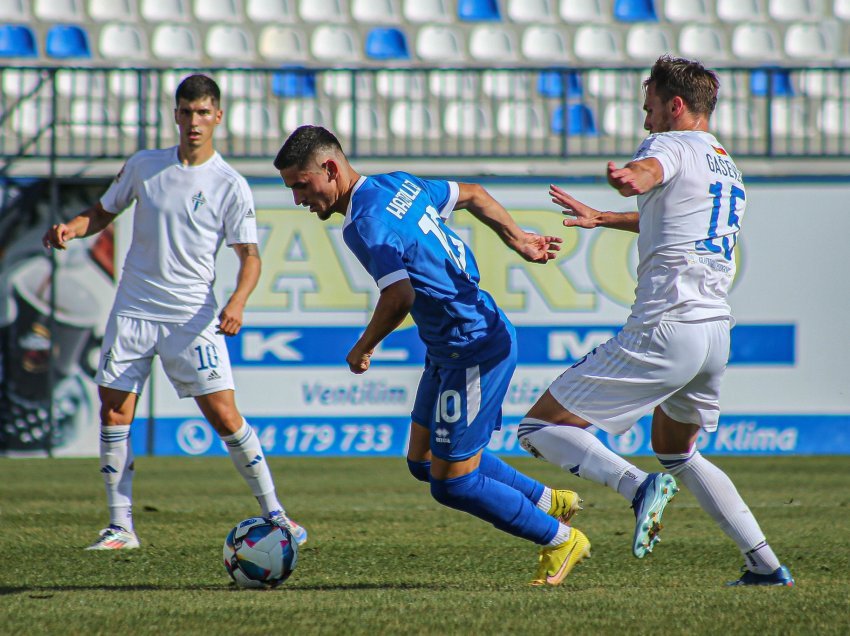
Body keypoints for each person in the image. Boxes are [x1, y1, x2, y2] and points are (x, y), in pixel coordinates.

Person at [515, 56, 794, 587]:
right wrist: (603, 217)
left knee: (540, 427)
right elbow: (667, 213)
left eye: (649, 108)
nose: (646, 121)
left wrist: (627, 178)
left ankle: (634, 487)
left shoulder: (667, 144)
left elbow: (648, 173)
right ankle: (764, 563)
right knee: (676, 450)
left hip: (668, 325)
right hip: (714, 333)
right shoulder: (723, 163)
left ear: (676, 106)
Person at [274, 125, 589, 586]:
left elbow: (398, 295)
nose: (299, 199)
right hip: (450, 345)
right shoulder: (396, 183)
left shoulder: (363, 223)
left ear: (330, 168)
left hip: (474, 346)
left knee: (453, 482)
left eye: (301, 185)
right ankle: (545, 499)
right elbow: (475, 195)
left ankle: (560, 539)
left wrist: (364, 346)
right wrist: (518, 238)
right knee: (423, 461)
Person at [42, 74, 306, 551]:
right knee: (114, 411)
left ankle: (278, 514)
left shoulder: (229, 184)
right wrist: (72, 229)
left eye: (204, 112)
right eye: (186, 112)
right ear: (176, 115)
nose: (194, 122)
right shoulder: (145, 166)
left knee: (225, 418)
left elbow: (250, 255)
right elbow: (102, 213)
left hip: (192, 316)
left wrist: (237, 302)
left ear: (218, 117)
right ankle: (121, 527)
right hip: (134, 309)